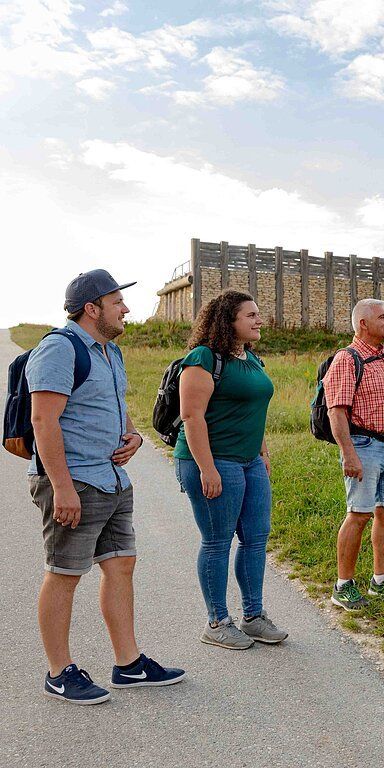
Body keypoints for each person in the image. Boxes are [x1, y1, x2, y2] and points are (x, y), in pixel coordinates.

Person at [27, 269, 185, 705]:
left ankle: (129, 664)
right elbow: (43, 420)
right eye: (117, 302)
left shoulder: (110, 351)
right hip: (74, 480)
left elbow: (112, 403)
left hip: (112, 479)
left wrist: (133, 435)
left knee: (120, 565)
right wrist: (62, 488)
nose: (126, 309)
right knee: (64, 573)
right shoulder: (60, 349)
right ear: (92, 308)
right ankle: (58, 673)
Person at [174, 290, 286, 649]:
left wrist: (262, 452)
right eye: (250, 315)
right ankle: (217, 622)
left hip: (250, 460)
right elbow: (191, 416)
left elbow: (254, 410)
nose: (259, 320)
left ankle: (253, 617)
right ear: (228, 320)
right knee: (218, 540)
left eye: (258, 313)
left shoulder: (251, 358)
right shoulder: (203, 358)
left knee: (256, 538)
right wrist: (207, 468)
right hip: (212, 459)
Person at [323, 299, 384, 611]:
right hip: (364, 447)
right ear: (363, 323)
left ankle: (380, 580)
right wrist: (349, 454)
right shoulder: (347, 359)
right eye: (382, 317)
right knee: (358, 514)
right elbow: (336, 411)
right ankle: (343, 585)